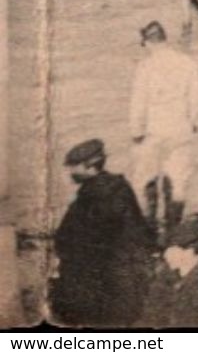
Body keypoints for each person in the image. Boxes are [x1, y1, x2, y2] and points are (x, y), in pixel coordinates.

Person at [50, 139, 153, 326]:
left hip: (97, 284)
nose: (70, 172)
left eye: (74, 166)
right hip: (120, 283)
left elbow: (81, 240)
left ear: (89, 167)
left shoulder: (93, 196)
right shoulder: (119, 188)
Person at [129, 20, 198, 243]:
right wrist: (192, 122)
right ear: (164, 39)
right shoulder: (186, 62)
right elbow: (197, 99)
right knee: (178, 182)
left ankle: (150, 232)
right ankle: (173, 233)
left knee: (146, 180)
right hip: (180, 128)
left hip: (153, 130)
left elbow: (139, 102)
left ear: (147, 42)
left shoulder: (145, 66)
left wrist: (136, 130)